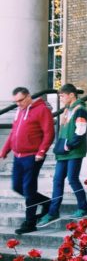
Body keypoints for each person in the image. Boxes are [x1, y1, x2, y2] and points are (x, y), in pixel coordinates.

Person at [0, 87, 55, 234]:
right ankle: (46, 202)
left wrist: (42, 151)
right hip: (18, 156)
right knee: (17, 186)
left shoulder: (42, 110)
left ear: (28, 96)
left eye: (21, 100)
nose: (18, 104)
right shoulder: (20, 111)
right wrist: (4, 150)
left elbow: (49, 132)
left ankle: (30, 222)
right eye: (16, 101)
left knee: (29, 189)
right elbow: (13, 133)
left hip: (33, 156)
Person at [38, 84, 87, 227]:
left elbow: (80, 131)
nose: (60, 99)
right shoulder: (68, 110)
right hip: (63, 153)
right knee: (57, 180)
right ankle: (53, 212)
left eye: (62, 96)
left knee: (73, 179)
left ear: (72, 95)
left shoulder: (80, 110)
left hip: (74, 151)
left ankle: (83, 208)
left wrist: (69, 145)